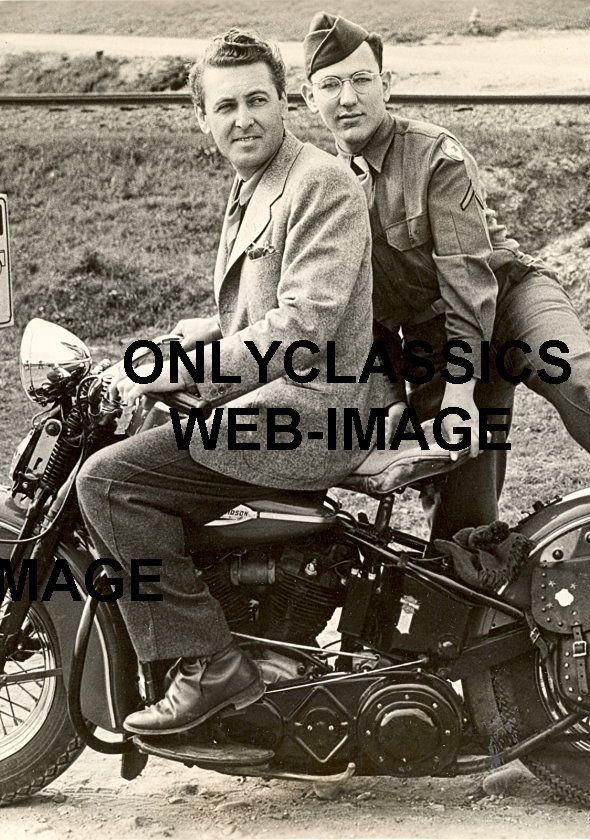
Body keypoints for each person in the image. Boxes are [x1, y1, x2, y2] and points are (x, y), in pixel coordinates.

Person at [300, 12, 590, 588]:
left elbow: (471, 284)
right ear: (309, 96)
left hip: (509, 299)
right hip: (433, 336)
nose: (348, 98)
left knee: (574, 372)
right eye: (331, 85)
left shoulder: (434, 155)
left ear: (386, 84)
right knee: (457, 471)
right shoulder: (327, 185)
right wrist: (390, 392)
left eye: (361, 80)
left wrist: (458, 392)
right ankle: (470, 622)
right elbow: (359, 308)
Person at [76, 28, 375, 737]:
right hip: (273, 398)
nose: (243, 118)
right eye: (226, 106)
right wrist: (188, 339)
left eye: (257, 100)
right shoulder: (254, 183)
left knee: (109, 484)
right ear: (201, 118)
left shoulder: (320, 180)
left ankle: (207, 664)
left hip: (314, 410)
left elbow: (303, 327)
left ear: (285, 103)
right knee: (142, 448)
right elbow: (253, 315)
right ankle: (235, 635)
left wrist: (170, 371)